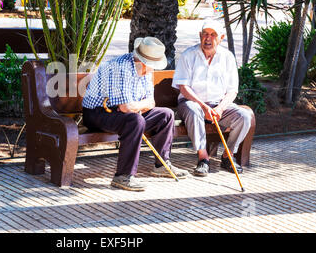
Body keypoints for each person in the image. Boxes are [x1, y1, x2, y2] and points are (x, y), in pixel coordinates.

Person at [82, 37, 189, 191]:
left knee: (166, 115)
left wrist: (136, 106)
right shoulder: (119, 67)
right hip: (98, 113)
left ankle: (162, 165)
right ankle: (123, 176)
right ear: (138, 58)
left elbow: (150, 102)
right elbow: (126, 107)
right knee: (135, 121)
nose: (151, 69)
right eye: (150, 65)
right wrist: (135, 106)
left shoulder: (147, 69)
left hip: (127, 113)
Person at [172, 20, 253, 177]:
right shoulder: (188, 55)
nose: (208, 38)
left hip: (218, 105)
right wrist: (203, 106)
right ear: (200, 36)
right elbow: (183, 87)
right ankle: (203, 159)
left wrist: (220, 108)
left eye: (213, 34)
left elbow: (232, 90)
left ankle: (227, 156)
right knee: (194, 111)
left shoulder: (227, 57)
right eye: (205, 34)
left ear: (221, 37)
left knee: (244, 116)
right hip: (191, 103)